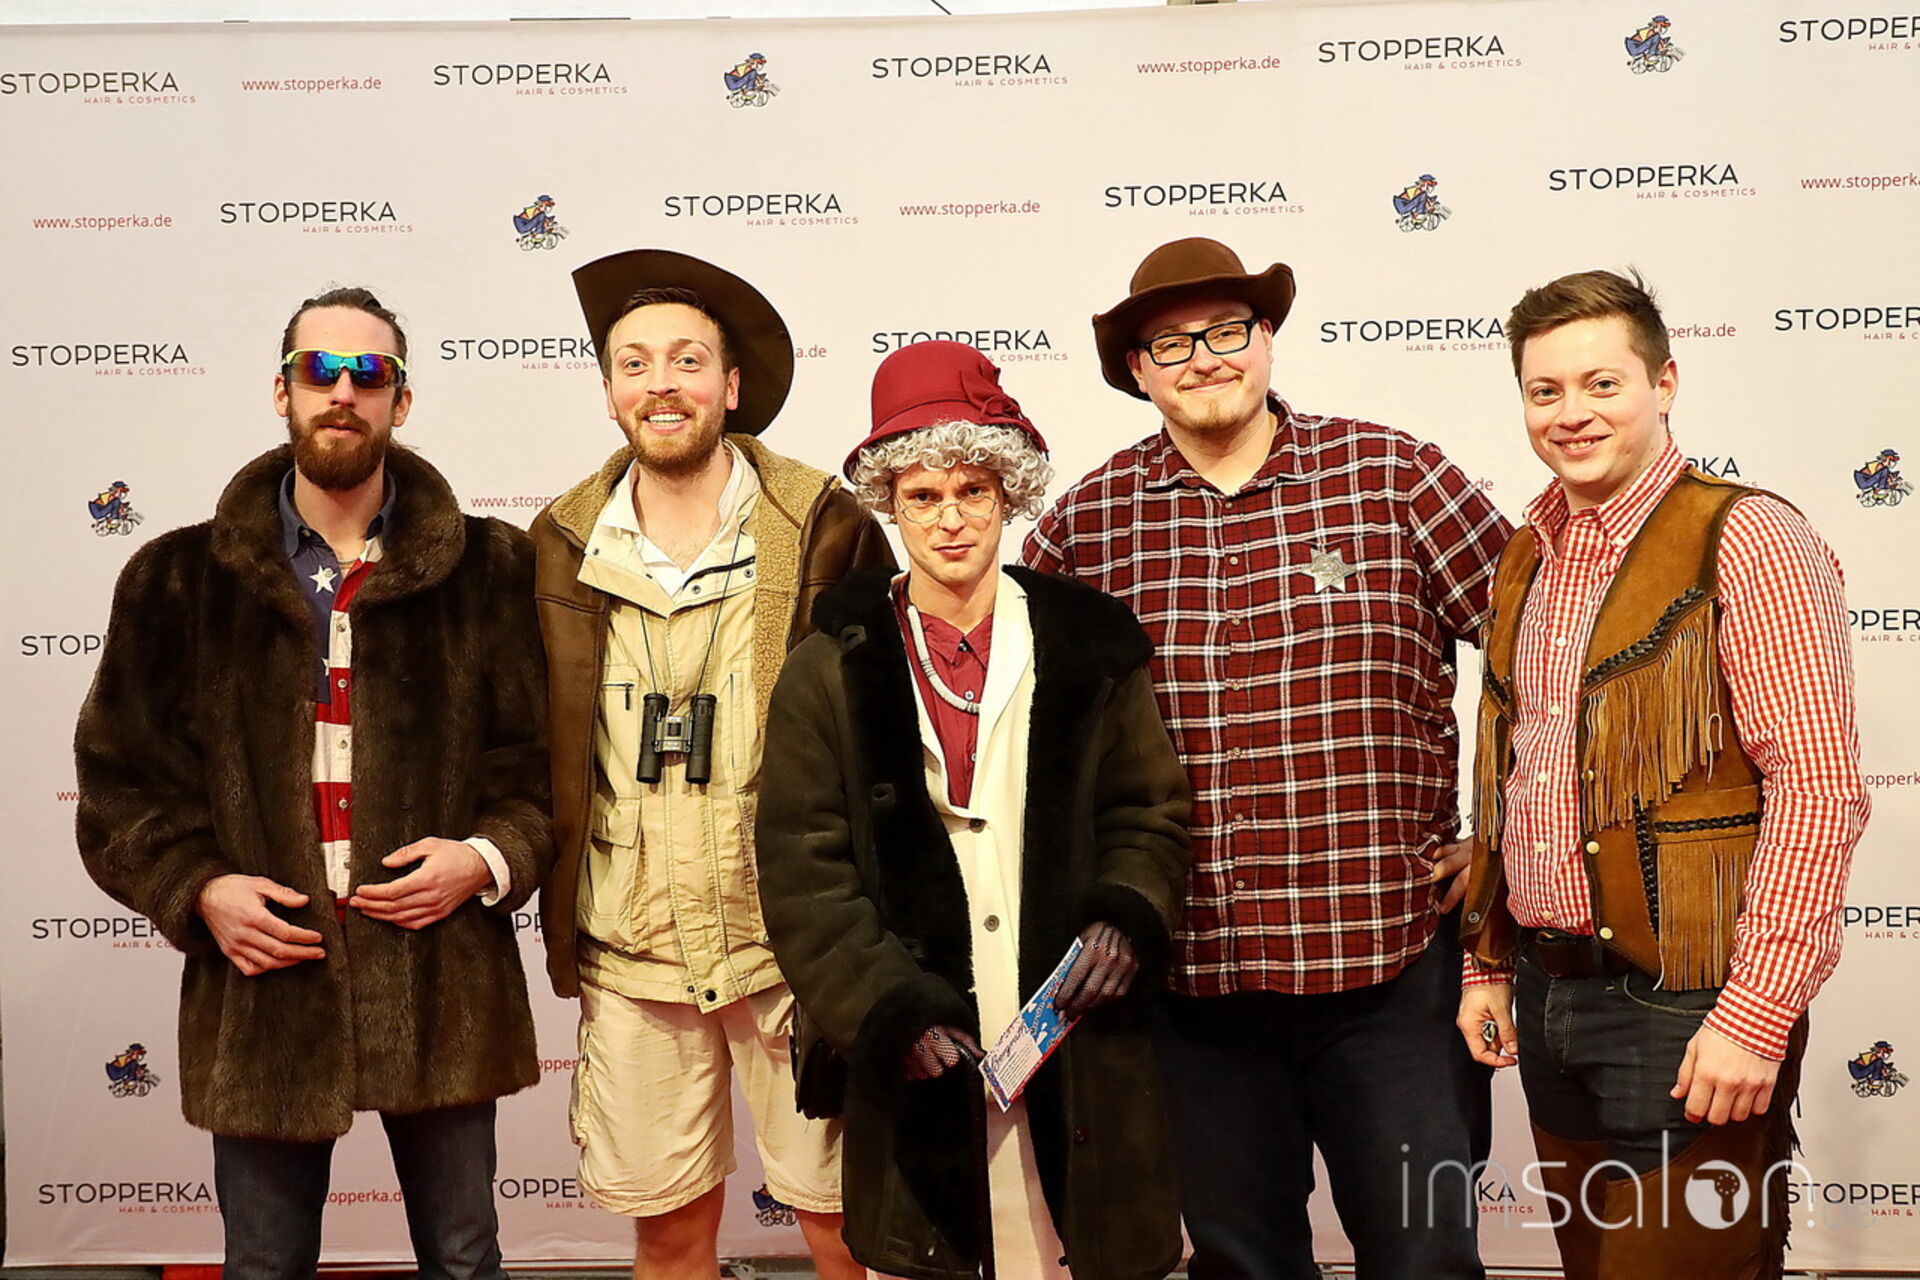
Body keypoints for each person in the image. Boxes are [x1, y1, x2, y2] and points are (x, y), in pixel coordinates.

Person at [1023, 237, 1511, 1279]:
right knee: (1243, 1263)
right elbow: (1038, 741)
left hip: (1388, 967)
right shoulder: (1084, 528)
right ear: (1138, 370)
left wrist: (1506, 840)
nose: (1204, 357)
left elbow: (1548, 659)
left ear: (1268, 338)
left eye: (1226, 330)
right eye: (1170, 342)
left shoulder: (1394, 476)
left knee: (1426, 1258)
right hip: (1194, 982)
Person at [75, 286, 552, 1279]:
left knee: (465, 1257)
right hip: (264, 987)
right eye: (318, 370)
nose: (343, 392)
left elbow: (544, 768)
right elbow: (121, 787)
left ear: (401, 400)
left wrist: (486, 857)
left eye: (369, 373)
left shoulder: (495, 569)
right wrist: (200, 887)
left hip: (441, 980)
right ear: (282, 391)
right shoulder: (176, 579)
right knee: (263, 1264)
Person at [1456, 269, 1869, 1278]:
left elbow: (1818, 787)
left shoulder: (1748, 536)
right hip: (1551, 994)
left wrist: (1756, 1016)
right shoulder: (1528, 553)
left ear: (1666, 383)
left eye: (1602, 383)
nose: (1571, 412)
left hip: (1693, 1005)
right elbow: (1511, 765)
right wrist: (1486, 960)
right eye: (1545, 390)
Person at [757, 340, 1193, 1279]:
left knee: (1076, 1248)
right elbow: (804, 873)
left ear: (1009, 494)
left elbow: (1148, 811)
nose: (950, 519)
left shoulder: (1091, 641)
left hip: (1073, 1027)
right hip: (924, 1041)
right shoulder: (826, 668)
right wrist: (888, 1011)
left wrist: (1127, 914)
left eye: (974, 492)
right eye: (923, 496)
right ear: (890, 500)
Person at [532, 249, 889, 1280]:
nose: (662, 384)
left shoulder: (822, 524)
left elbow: (880, 744)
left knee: (847, 1230)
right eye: (635, 363)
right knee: (669, 1234)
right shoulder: (559, 541)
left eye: (688, 360)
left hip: (794, 951)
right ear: (609, 391)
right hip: (633, 948)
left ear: (731, 386)